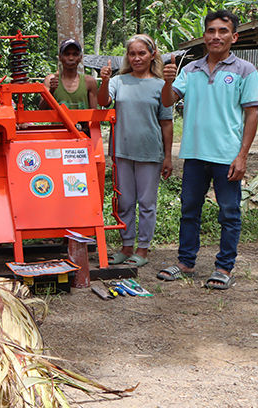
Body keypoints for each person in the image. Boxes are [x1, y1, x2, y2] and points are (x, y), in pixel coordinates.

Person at [156, 10, 258, 290]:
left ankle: (224, 267)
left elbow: (251, 114)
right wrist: (166, 81)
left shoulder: (245, 71)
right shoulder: (190, 70)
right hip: (194, 154)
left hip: (227, 156)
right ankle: (185, 262)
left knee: (229, 212)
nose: (216, 36)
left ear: (233, 37)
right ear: (204, 35)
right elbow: (168, 100)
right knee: (189, 210)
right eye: (211, 31)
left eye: (223, 31)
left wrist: (242, 155)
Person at [97, 34, 173, 268]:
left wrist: (168, 156)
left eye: (142, 53)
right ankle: (126, 245)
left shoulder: (161, 86)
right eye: (132, 54)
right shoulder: (120, 81)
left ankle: (143, 248)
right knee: (125, 202)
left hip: (150, 153)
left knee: (147, 203)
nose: (137, 58)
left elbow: (166, 122)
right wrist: (104, 81)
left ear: (152, 55)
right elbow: (103, 102)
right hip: (122, 152)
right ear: (127, 57)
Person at [41, 39, 97, 111]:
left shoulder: (89, 82)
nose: (71, 58)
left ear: (80, 58)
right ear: (60, 57)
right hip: (58, 123)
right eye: (67, 54)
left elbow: (94, 115)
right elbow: (42, 108)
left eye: (75, 54)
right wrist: (51, 92)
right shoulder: (50, 80)